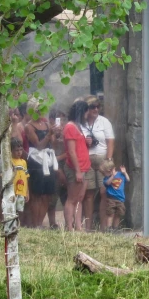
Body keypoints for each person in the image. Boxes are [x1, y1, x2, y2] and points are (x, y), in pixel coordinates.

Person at [81, 95, 115, 230]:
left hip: (102, 158)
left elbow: (110, 141)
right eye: (92, 107)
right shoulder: (81, 123)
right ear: (86, 109)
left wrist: (109, 159)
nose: (96, 109)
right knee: (88, 193)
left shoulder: (104, 121)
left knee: (104, 191)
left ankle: (104, 226)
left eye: (98, 106)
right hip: (87, 158)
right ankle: (88, 227)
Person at [25, 99, 57, 227]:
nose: (41, 112)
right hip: (36, 162)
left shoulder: (47, 124)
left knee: (47, 195)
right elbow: (39, 145)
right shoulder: (29, 126)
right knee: (37, 195)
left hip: (48, 161)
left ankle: (40, 222)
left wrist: (56, 135)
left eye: (42, 109)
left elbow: (53, 145)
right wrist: (49, 135)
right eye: (38, 110)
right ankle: (35, 224)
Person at [63, 100, 90, 231]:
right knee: (72, 198)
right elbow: (72, 151)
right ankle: (69, 226)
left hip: (84, 167)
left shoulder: (78, 126)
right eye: (86, 112)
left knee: (79, 198)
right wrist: (78, 171)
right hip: (76, 168)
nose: (87, 115)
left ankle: (79, 226)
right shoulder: (70, 127)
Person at [47, 107, 68, 228]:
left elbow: (69, 150)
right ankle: (52, 223)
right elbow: (50, 149)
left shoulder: (67, 130)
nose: (62, 122)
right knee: (53, 195)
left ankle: (69, 222)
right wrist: (54, 135)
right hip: (52, 165)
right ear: (51, 120)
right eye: (59, 119)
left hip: (64, 163)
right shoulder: (48, 131)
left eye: (63, 119)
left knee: (66, 195)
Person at [100, 159, 129, 231]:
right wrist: (112, 176)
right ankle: (109, 228)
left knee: (118, 214)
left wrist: (125, 173)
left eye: (104, 173)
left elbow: (128, 180)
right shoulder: (107, 178)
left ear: (110, 170)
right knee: (110, 213)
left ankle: (116, 228)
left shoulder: (120, 175)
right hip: (111, 199)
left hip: (120, 199)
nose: (103, 175)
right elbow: (107, 183)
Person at [10, 138, 29, 215]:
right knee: (11, 209)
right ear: (11, 151)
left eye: (20, 150)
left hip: (21, 191)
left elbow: (26, 177)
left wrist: (27, 192)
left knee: (19, 210)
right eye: (16, 150)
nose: (19, 152)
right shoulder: (9, 162)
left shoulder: (23, 162)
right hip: (12, 191)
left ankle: (18, 225)